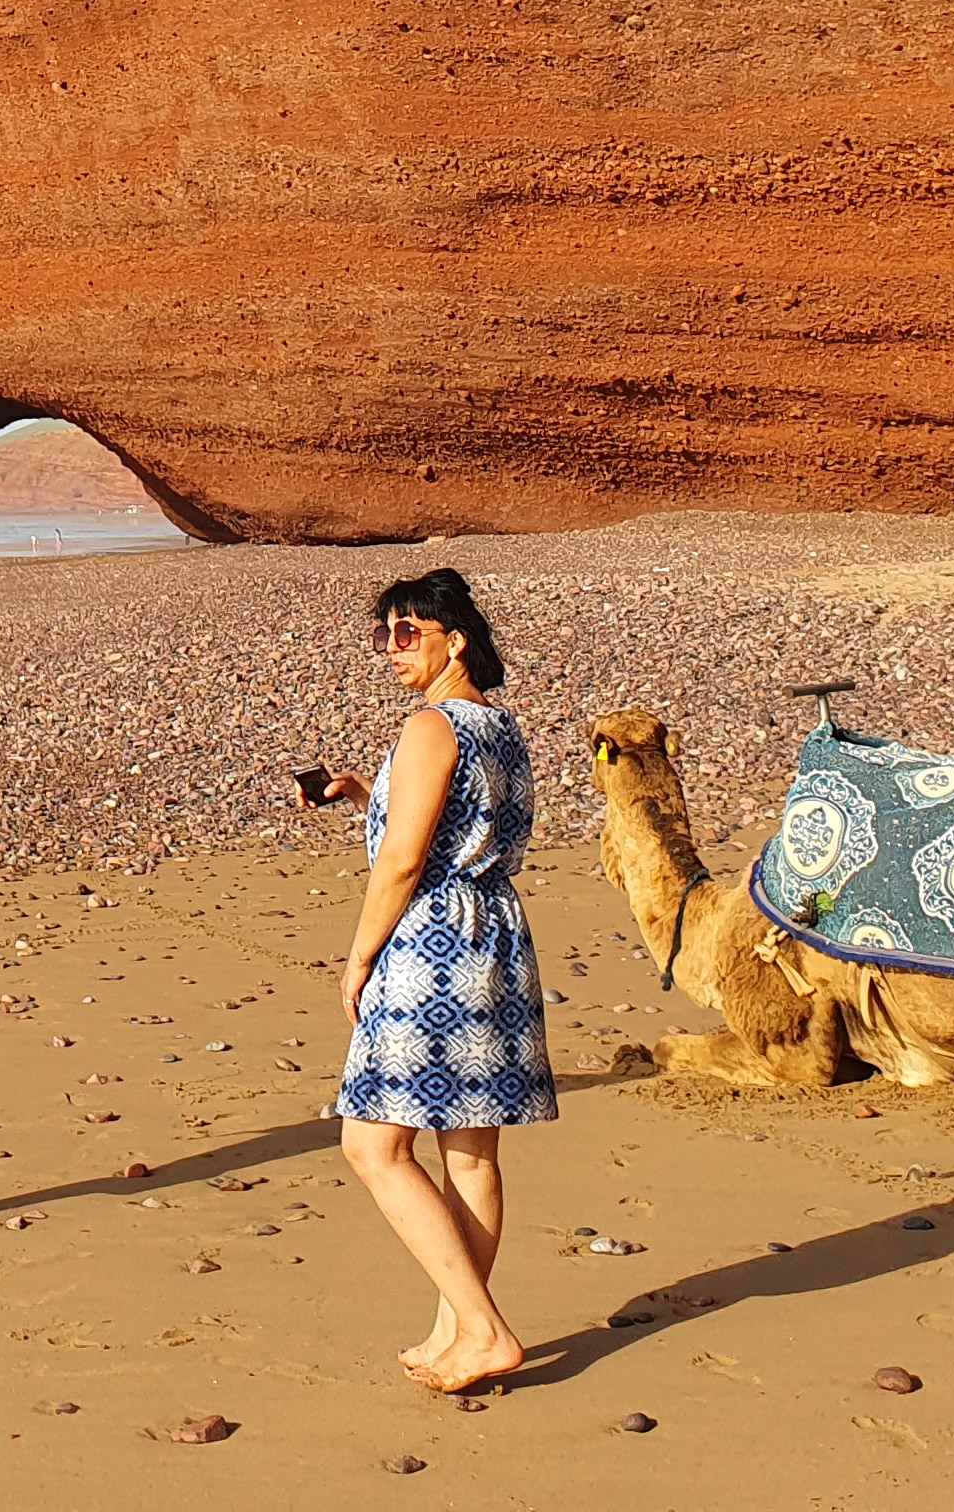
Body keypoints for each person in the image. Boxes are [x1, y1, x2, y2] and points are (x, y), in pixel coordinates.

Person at [324, 566, 554, 1394]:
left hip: (430, 945)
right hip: (494, 931)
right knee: (471, 1150)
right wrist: (364, 796)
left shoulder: (430, 727)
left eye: (407, 632)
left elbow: (407, 860)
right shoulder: (501, 728)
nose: (391, 648)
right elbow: (463, 831)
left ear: (454, 641)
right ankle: (457, 1328)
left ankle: (485, 1331)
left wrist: (358, 957)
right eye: (385, 633)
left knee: (374, 1143)